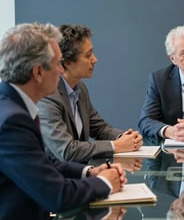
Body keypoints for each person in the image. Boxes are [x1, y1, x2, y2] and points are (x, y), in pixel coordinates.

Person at [0, 23, 126, 219]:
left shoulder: (13, 105)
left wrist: (90, 172)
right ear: (38, 72)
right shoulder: (12, 121)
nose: (61, 70)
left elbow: (44, 161)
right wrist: (105, 182)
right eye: (58, 63)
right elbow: (57, 196)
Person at [37, 24, 143, 163]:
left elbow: (98, 128)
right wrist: (115, 146)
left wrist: (125, 137)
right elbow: (66, 150)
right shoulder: (48, 96)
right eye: (88, 55)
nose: (95, 59)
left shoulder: (79, 87)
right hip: (57, 178)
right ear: (68, 62)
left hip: (81, 173)